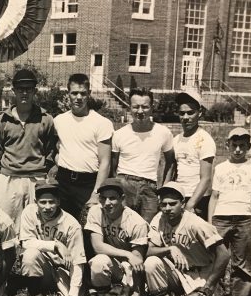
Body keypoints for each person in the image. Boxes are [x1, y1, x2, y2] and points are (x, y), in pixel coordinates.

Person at [145, 182, 230, 296]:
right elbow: (148, 251)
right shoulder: (159, 218)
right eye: (163, 204)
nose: (167, 208)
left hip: (201, 272)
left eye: (172, 204)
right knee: (151, 263)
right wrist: (169, 249)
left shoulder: (196, 223)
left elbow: (224, 254)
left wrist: (208, 286)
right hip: (178, 271)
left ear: (182, 203)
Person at [208, 127, 251, 296]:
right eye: (234, 145)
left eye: (242, 146)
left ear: (248, 147)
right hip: (221, 218)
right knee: (217, 261)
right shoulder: (221, 168)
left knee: (241, 264)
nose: (238, 149)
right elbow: (214, 197)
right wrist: (210, 223)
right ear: (227, 146)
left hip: (243, 219)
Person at [0, 68, 57, 227]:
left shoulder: (46, 119)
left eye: (28, 89)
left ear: (34, 91)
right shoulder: (3, 119)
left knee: (36, 224)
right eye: (20, 89)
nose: (24, 93)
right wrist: (3, 169)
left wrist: (42, 169)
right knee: (5, 223)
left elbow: (50, 149)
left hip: (36, 179)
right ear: (13, 91)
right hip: (9, 178)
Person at [20, 181, 86, 296]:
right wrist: (55, 245)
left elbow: (78, 263)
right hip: (43, 268)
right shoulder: (29, 212)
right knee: (30, 255)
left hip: (64, 271)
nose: (47, 207)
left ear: (59, 202)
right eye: (43, 202)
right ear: (36, 202)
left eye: (52, 202)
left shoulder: (71, 224)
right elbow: (25, 242)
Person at [85, 178, 148, 296]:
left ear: (122, 199)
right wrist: (126, 253)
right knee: (98, 262)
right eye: (103, 198)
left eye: (112, 198)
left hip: (131, 270)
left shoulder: (136, 222)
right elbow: (97, 246)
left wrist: (136, 292)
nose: (107, 203)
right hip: (112, 264)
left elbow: (137, 261)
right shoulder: (96, 211)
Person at [54, 73, 113, 224]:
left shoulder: (101, 123)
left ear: (89, 94)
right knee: (63, 227)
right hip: (64, 182)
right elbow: (57, 149)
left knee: (87, 228)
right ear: (68, 94)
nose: (78, 97)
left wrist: (95, 193)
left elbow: (105, 162)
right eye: (74, 93)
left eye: (83, 93)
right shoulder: (59, 121)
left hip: (88, 184)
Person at [112, 87, 174, 222]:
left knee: (147, 230)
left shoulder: (163, 132)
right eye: (135, 107)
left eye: (145, 107)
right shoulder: (119, 134)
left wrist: (165, 187)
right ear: (129, 107)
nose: (140, 111)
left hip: (150, 189)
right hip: (124, 185)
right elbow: (112, 165)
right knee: (122, 228)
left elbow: (171, 161)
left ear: (152, 107)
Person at [172, 91, 216, 219]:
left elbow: (206, 178)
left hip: (197, 199)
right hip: (179, 196)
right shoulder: (176, 140)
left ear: (199, 113)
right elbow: (174, 171)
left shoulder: (204, 139)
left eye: (190, 112)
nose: (186, 117)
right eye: (182, 113)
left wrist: (190, 205)